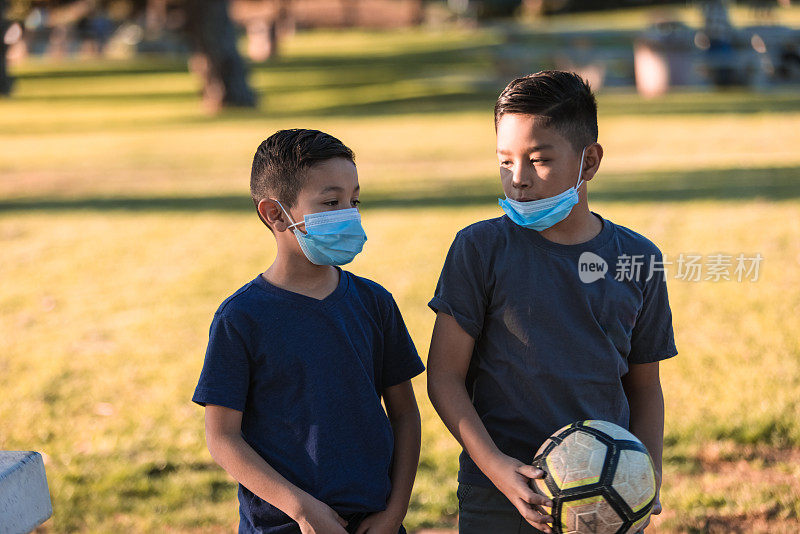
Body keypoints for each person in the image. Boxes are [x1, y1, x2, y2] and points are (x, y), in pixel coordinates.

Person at [426, 71, 677, 534]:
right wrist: (498, 468)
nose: (517, 180)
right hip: (499, 494)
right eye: (505, 161)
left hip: (607, 497)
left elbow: (644, 386)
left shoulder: (640, 259)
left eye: (538, 160)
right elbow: (444, 376)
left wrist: (646, 478)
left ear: (590, 161)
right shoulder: (479, 249)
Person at [193, 129, 425, 534]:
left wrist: (394, 513)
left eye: (355, 201)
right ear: (275, 213)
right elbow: (222, 439)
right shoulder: (241, 318)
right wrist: (301, 510)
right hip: (284, 525)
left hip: (375, 523)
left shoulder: (375, 303)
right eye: (332, 202)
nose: (349, 214)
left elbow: (404, 413)